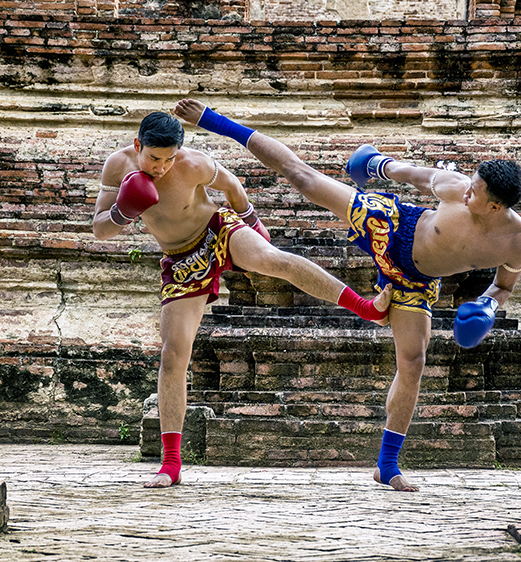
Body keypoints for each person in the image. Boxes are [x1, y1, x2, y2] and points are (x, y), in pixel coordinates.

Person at [174, 99, 521, 492]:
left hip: (415, 278)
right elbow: (410, 174)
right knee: (305, 179)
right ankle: (216, 120)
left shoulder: (516, 244)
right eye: (471, 184)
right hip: (393, 225)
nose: (468, 191)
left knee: (413, 360)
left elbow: (503, 287)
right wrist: (377, 163)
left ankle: (387, 464)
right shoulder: (456, 188)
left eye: (476, 192)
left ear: (496, 206)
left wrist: (487, 305)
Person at [93, 111, 393, 489]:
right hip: (182, 261)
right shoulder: (116, 167)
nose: (163, 168)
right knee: (173, 356)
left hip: (217, 230)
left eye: (170, 159)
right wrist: (122, 212)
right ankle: (171, 464)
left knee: (273, 259)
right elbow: (100, 229)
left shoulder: (195, 164)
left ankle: (367, 307)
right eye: (154, 158)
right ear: (137, 146)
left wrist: (251, 222)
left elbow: (232, 185)